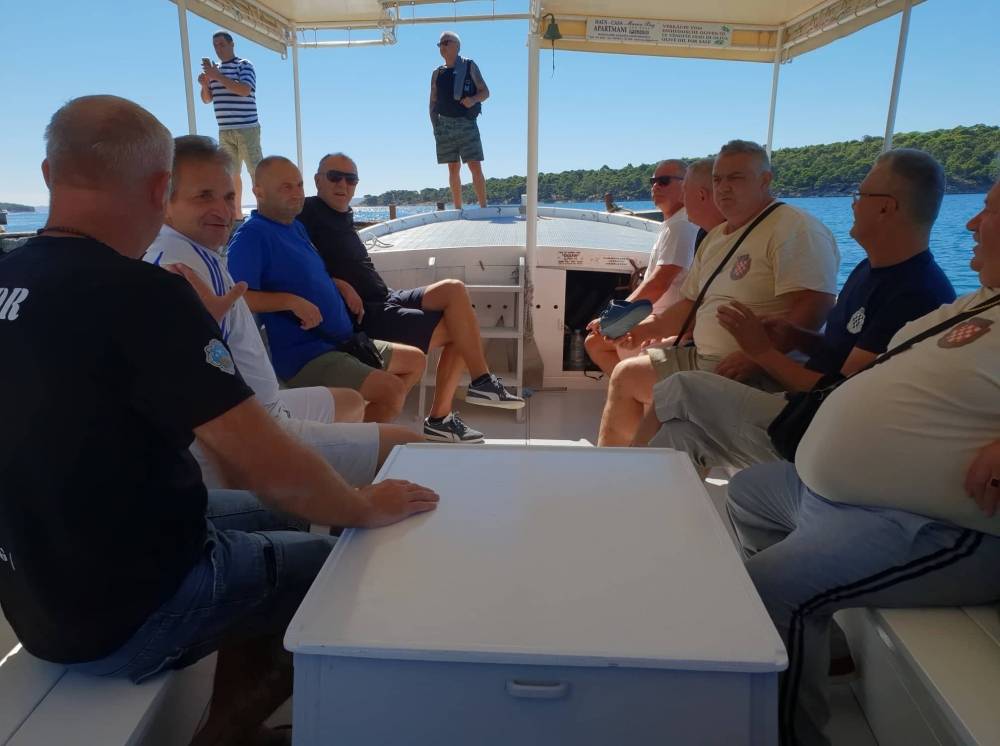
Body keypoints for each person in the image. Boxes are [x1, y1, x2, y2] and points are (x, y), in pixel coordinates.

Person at [0, 95, 438, 746]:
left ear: (47, 173)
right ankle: (225, 736)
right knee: (334, 565)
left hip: (38, 593)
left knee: (284, 519)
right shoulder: (143, 295)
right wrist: (361, 506)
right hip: (121, 614)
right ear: (160, 189)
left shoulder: (11, 274)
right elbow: (265, 461)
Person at [726, 180, 1000, 746]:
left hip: (932, 529)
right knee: (747, 493)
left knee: (765, 590)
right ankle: (823, 642)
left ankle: (786, 736)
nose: (971, 224)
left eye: (990, 212)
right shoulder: (979, 302)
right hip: (832, 498)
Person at [634, 149, 957, 469]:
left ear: (886, 207)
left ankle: (625, 473)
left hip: (825, 431)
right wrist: (799, 337)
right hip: (805, 407)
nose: (853, 204)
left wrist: (761, 352)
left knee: (680, 387)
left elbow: (842, 393)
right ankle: (633, 485)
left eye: (860, 195)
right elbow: (840, 353)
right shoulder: (869, 272)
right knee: (681, 434)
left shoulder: (913, 293)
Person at [145, 135, 423, 488]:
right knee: (410, 447)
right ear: (165, 200)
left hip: (270, 401)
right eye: (204, 196)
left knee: (352, 402)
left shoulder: (204, 249)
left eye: (228, 197)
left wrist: (336, 283)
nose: (225, 211)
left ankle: (339, 480)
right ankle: (342, 495)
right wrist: (205, 330)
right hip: (256, 424)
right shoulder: (173, 269)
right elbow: (186, 390)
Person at [597, 140, 839, 446]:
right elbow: (689, 305)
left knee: (672, 404)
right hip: (704, 358)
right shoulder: (717, 238)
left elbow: (815, 305)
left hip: (753, 369)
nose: (723, 188)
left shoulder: (794, 228)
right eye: (717, 179)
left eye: (735, 178)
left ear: (765, 180)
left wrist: (756, 357)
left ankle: (639, 469)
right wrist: (641, 330)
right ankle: (614, 466)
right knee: (626, 375)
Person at [298, 152, 525, 443]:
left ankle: (482, 381)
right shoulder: (306, 214)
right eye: (335, 177)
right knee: (461, 332)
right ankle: (441, 419)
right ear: (318, 180)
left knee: (454, 289)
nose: (343, 184)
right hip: (368, 313)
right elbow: (296, 265)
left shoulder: (341, 214)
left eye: (351, 179)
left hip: (386, 296)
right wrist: (337, 283)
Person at [228, 156, 427, 424]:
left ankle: (356, 430)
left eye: (299, 185)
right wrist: (290, 301)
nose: (297, 193)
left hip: (343, 341)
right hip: (307, 355)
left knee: (415, 361)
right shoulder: (252, 236)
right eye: (286, 187)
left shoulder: (296, 227)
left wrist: (339, 284)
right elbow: (238, 298)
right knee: (391, 391)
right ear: (258, 192)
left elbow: (307, 274)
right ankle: (357, 442)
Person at [584, 159, 711, 375]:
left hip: (667, 323)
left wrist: (615, 317)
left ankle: (634, 388)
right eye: (653, 181)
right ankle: (631, 388)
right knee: (596, 341)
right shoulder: (673, 224)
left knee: (595, 343)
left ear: (686, 185)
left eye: (664, 181)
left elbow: (659, 283)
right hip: (657, 317)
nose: (655, 187)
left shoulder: (680, 227)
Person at [198, 30, 261, 220]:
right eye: (215, 45)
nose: (218, 49)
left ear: (232, 44)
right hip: (225, 130)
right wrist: (205, 84)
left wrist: (217, 76)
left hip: (247, 127)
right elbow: (207, 99)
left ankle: (263, 212)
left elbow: (244, 90)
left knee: (255, 171)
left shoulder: (244, 65)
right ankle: (236, 215)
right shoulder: (214, 71)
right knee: (231, 174)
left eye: (222, 44)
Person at [430, 31, 489, 209]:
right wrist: (435, 125)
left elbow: (485, 92)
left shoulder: (469, 65)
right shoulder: (437, 73)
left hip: (466, 123)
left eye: (445, 43)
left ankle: (483, 207)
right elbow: (432, 101)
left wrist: (473, 99)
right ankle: (457, 208)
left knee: (475, 166)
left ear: (456, 46)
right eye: (439, 44)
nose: (441, 47)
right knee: (453, 168)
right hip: (444, 125)